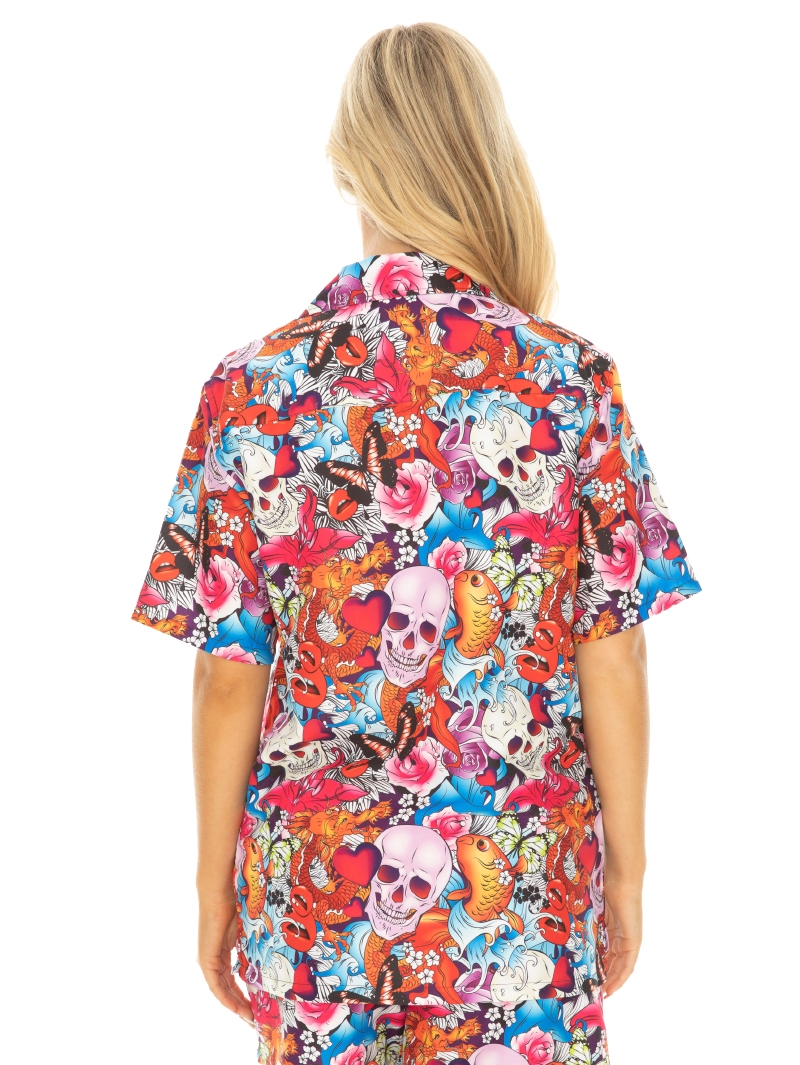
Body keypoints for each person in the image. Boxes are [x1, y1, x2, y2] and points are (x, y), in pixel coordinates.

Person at [132, 22, 700, 1065]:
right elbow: (613, 650)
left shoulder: (251, 391)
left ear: (348, 164)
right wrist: (625, 871)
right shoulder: (569, 382)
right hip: (521, 904)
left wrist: (214, 886)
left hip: (314, 905)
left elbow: (227, 674)